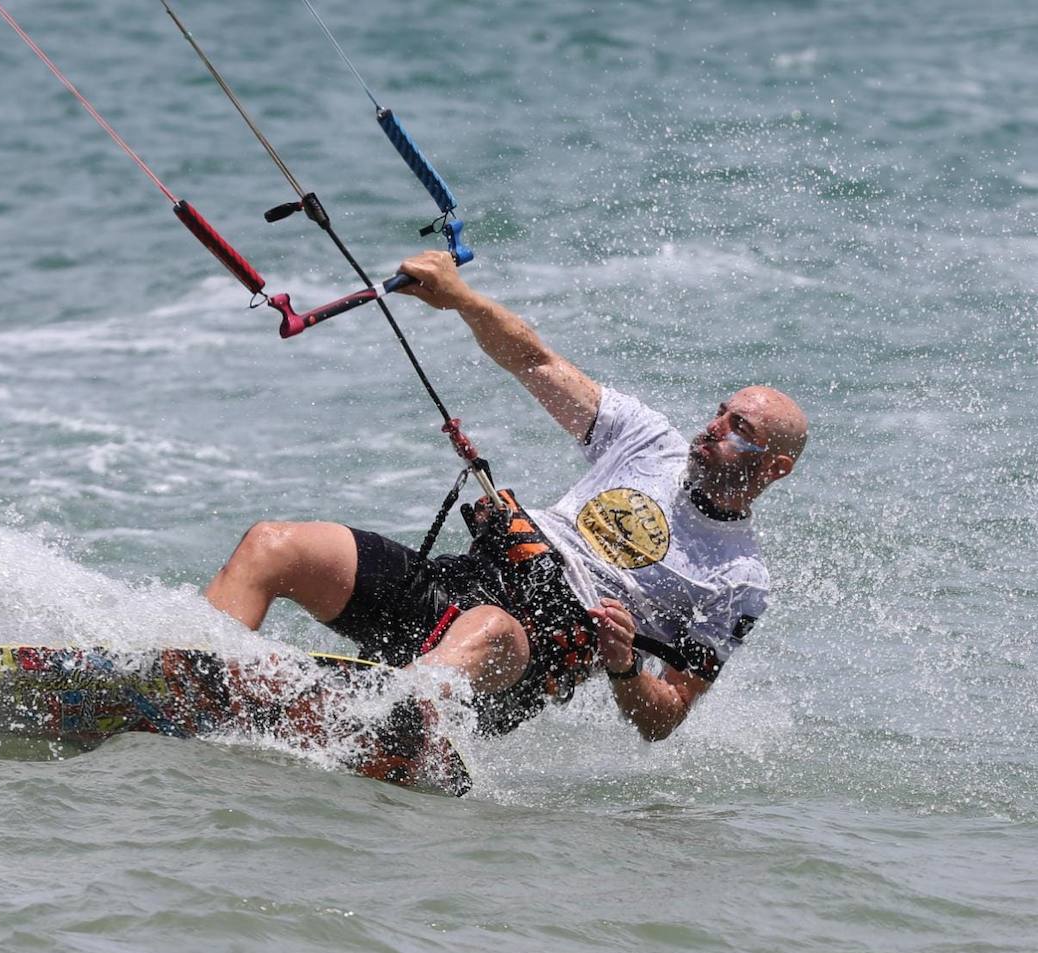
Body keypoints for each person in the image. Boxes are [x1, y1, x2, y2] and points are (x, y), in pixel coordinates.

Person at [204, 250, 808, 741]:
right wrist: (461, 299)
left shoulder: (739, 580)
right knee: (273, 545)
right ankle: (192, 675)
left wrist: (624, 666)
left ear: (775, 468)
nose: (714, 427)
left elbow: (666, 716)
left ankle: (375, 725)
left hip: (521, 658)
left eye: (740, 430)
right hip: (455, 584)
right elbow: (533, 359)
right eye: (721, 413)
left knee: (489, 627)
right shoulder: (649, 441)